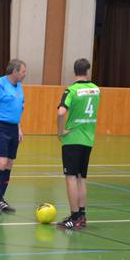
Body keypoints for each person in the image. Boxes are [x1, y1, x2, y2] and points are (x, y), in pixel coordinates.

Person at [56, 58, 100, 229]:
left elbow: (61, 112)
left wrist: (60, 131)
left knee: (71, 178)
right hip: (88, 139)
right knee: (81, 178)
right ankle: (82, 215)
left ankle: (74, 217)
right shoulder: (96, 90)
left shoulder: (71, 90)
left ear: (74, 71)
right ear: (87, 71)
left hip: (72, 139)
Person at [0, 59, 27, 214]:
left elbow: (18, 109)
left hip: (13, 128)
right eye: (23, 71)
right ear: (14, 71)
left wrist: (19, 128)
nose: (25, 74)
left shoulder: (19, 87)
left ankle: (1, 199)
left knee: (9, 163)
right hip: (0, 127)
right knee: (1, 162)